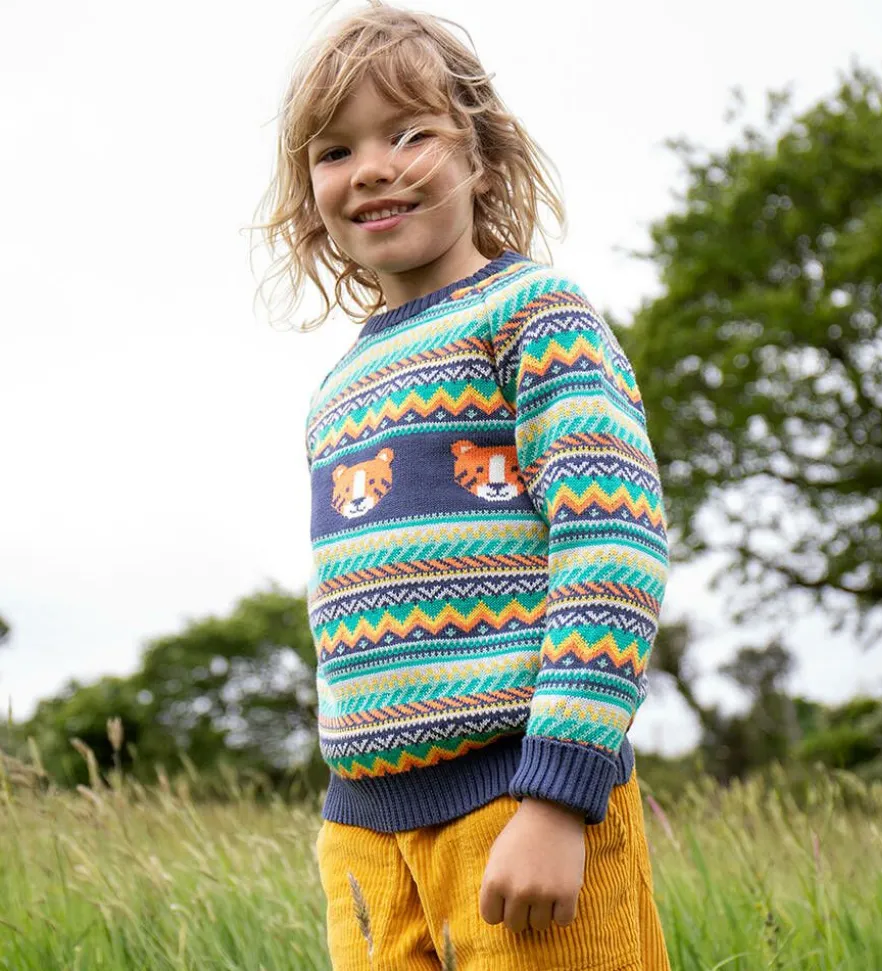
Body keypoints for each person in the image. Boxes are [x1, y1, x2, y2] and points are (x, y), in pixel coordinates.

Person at [255, 3, 671, 968]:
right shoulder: (335, 391)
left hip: (518, 801)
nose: (371, 167)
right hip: (365, 833)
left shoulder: (533, 314)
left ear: (479, 154)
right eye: (334, 149)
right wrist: (346, 828)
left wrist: (560, 795)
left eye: (410, 133)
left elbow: (614, 542)